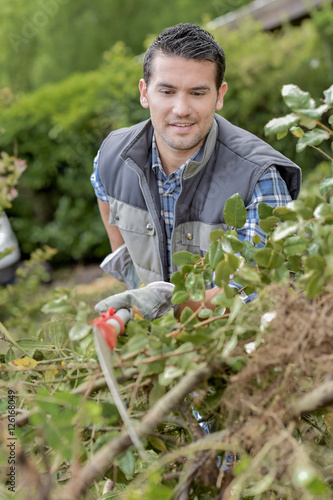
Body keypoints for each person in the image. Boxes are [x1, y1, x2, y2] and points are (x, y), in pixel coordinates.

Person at [90, 23, 301, 319]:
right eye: (167, 91)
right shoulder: (112, 156)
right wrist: (135, 286)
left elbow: (261, 287)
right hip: (157, 349)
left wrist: (165, 308)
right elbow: (104, 194)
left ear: (219, 95)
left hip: (237, 345)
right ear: (144, 92)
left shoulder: (259, 176)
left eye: (198, 93)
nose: (181, 109)